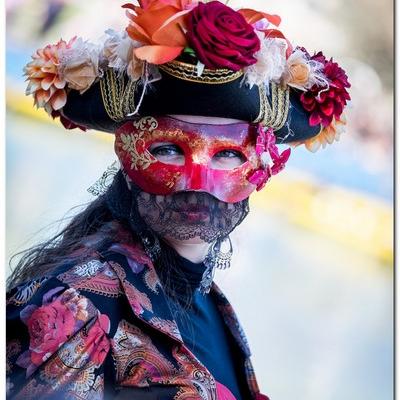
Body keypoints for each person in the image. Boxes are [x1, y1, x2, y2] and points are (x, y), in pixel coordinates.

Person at [6, 1, 350, 399]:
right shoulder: (73, 306)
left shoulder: (212, 305)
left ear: (265, 165)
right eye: (168, 149)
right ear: (125, 151)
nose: (197, 182)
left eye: (227, 154)